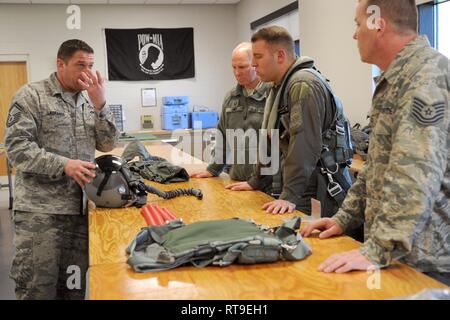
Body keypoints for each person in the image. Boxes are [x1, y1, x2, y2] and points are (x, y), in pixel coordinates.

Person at [301, 0, 450, 286]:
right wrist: (343, 219)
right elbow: (376, 167)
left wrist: (378, 249)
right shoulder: (395, 79)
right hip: (396, 252)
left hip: (424, 261)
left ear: (378, 24)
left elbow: (415, 173)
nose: (355, 34)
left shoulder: (425, 77)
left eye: (358, 24)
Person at [5, 39, 120, 299]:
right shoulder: (31, 96)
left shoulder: (90, 101)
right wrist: (63, 164)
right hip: (40, 214)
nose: (87, 72)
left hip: (78, 211)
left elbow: (108, 143)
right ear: (60, 64)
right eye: (81, 65)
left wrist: (101, 105)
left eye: (91, 65)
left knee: (72, 288)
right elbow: (16, 148)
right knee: (37, 288)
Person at [227, 26, 353, 216]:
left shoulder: (302, 85)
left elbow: (304, 145)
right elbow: (270, 138)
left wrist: (290, 195)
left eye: (258, 57)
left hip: (318, 186)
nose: (253, 64)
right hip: (302, 184)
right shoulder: (278, 86)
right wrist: (256, 181)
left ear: (280, 56)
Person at [190, 42, 271, 181]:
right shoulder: (231, 97)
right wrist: (213, 169)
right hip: (238, 179)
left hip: (267, 184)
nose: (237, 72)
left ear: (256, 64)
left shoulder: (272, 94)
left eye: (242, 67)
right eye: (233, 67)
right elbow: (222, 136)